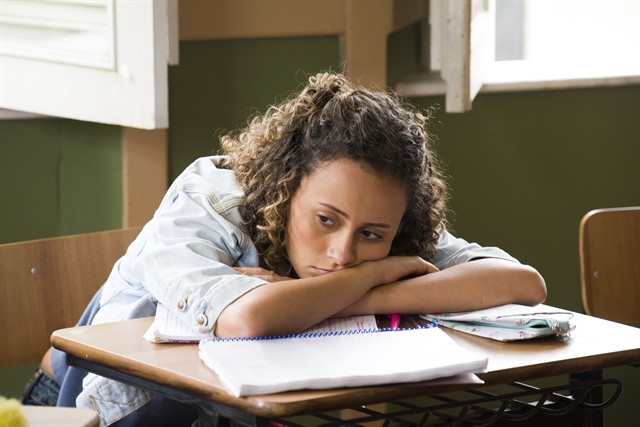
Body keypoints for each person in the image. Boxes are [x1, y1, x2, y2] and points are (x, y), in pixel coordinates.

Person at [22, 72, 546, 426]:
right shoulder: (209, 200)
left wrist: (342, 295)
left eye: (372, 236)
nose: (342, 253)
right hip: (74, 411)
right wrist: (372, 277)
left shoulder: (386, 220)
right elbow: (247, 322)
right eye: (325, 220)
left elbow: (521, 284)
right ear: (287, 184)